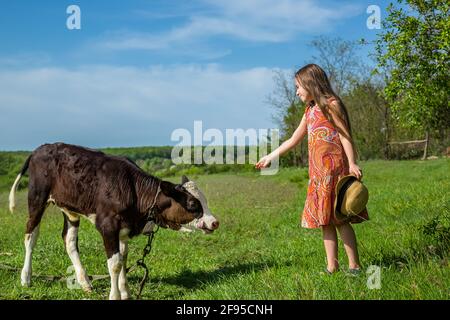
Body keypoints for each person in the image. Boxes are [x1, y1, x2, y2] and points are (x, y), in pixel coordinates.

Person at [256, 64, 369, 274]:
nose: (297, 91)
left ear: (310, 84)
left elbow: (344, 135)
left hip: (336, 172)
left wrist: (352, 163)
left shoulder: (331, 104)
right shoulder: (310, 110)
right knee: (325, 222)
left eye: (298, 86)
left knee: (341, 219)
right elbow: (293, 139)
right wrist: (271, 156)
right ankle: (332, 267)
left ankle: (354, 266)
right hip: (318, 175)